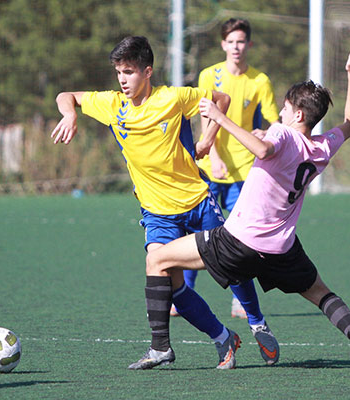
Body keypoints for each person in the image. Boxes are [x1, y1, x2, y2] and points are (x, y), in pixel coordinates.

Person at [131, 48, 350, 372]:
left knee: (157, 259)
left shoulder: (282, 133)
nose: (281, 113)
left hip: (239, 243)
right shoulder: (322, 147)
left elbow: (266, 148)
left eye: (285, 108)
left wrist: (220, 117)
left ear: (298, 114)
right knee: (322, 294)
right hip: (282, 250)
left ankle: (161, 347)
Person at [50, 36, 279, 369]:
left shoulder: (173, 97)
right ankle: (217, 339)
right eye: (118, 73)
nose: (122, 80)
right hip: (157, 213)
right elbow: (65, 95)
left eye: (128, 72)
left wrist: (207, 139)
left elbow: (223, 98)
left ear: (147, 71)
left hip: (197, 201)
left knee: (233, 267)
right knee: (166, 283)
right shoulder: (112, 105)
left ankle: (256, 322)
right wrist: (70, 115)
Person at [176, 18, 280, 320]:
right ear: (223, 44)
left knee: (240, 238)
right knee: (198, 233)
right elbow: (208, 119)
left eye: (241, 41)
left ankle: (241, 301)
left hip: (246, 170)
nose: (236, 47)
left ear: (249, 44)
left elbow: (273, 120)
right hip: (210, 167)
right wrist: (217, 156)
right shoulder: (210, 75)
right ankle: (185, 295)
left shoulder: (260, 80)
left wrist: (268, 134)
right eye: (231, 41)